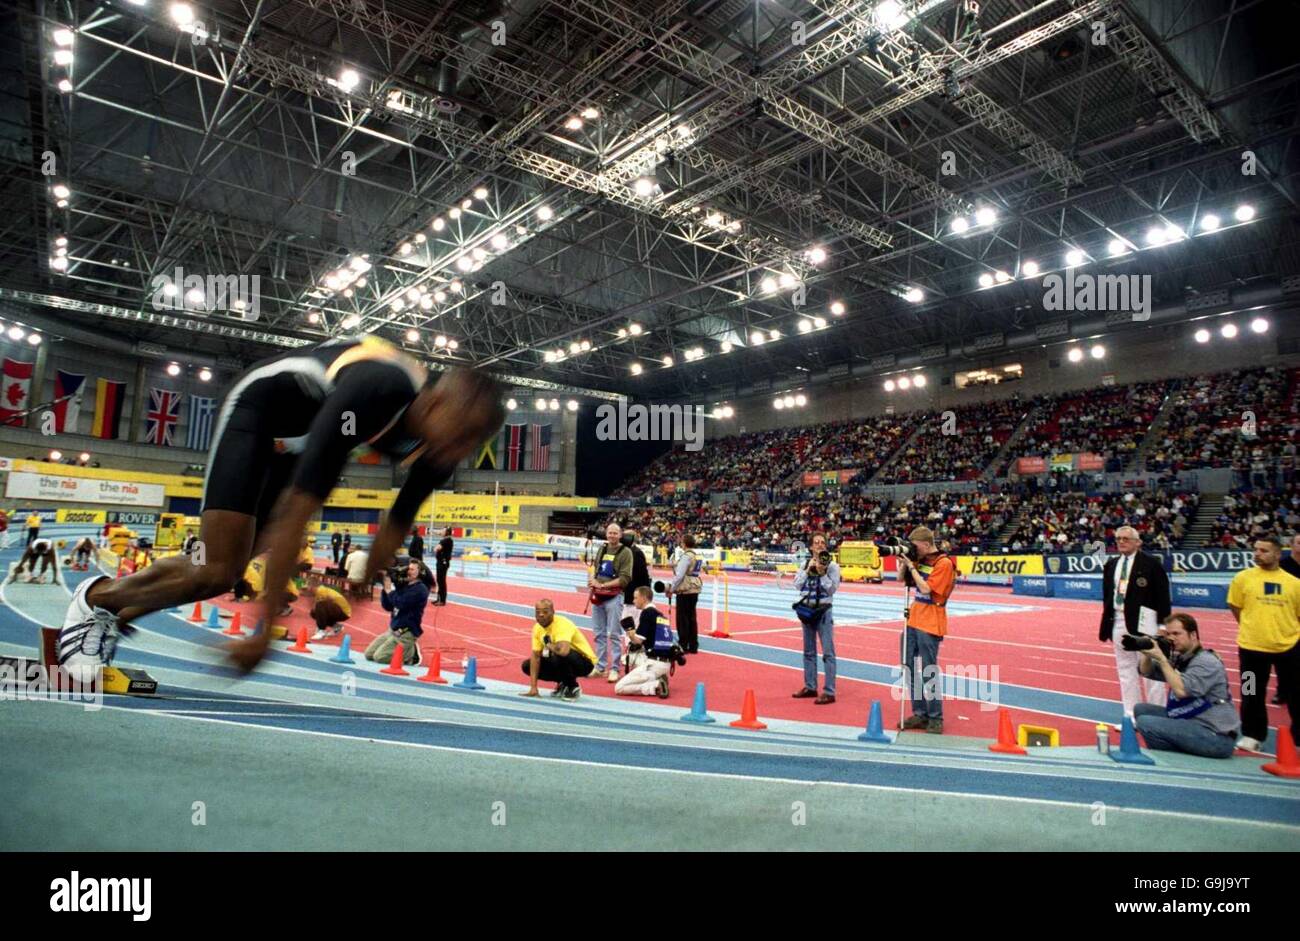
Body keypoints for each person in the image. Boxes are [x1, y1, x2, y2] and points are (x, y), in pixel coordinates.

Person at [58, 337, 505, 681]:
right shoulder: (375, 389)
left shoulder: (438, 451)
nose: (460, 453)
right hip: (257, 413)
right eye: (463, 436)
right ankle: (95, 601)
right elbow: (297, 513)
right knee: (218, 568)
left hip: (295, 442)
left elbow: (397, 522)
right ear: (437, 403)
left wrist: (366, 580)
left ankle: (122, 605)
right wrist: (263, 631)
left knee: (225, 565)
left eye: (473, 445)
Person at [1226, 535, 1300, 750]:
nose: (1257, 554)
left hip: (1288, 648)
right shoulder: (1242, 578)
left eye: (1264, 550)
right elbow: (1235, 607)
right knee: (1250, 692)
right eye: (1256, 549)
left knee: (1296, 694)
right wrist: (1251, 627)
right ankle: (1252, 734)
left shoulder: (1294, 583)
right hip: (1251, 649)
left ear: (1278, 554)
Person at [1132, 613, 1240, 758]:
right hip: (1194, 723)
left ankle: (1174, 759)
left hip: (1215, 735)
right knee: (1141, 709)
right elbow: (1146, 672)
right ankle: (1175, 753)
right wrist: (1147, 651)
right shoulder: (1183, 658)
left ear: (1193, 635)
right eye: (1168, 634)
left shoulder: (1206, 661)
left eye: (1177, 633)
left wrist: (1162, 660)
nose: (1171, 638)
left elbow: (1181, 691)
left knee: (1145, 722)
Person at [1099, 525, 1172, 722]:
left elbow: (1163, 596)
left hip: (1145, 622)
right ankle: (1130, 714)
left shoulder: (1151, 565)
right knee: (1125, 669)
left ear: (1138, 542)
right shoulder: (1111, 565)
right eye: (1118, 539)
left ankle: (1156, 714)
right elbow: (1108, 596)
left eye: (1126, 539)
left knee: (1151, 672)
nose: (1121, 542)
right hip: (1119, 620)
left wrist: (1164, 626)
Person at [898, 527, 957, 733]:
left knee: (928, 670)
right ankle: (920, 713)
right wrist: (904, 563)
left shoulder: (944, 563)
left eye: (914, 546)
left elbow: (926, 589)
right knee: (908, 668)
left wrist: (912, 568)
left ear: (925, 543)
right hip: (913, 619)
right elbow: (900, 580)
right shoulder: (919, 559)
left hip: (931, 621)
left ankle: (935, 717)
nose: (914, 550)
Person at [791, 532, 840, 705]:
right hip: (807, 610)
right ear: (811, 547)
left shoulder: (832, 566)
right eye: (816, 542)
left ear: (825, 546)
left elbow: (832, 590)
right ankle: (810, 686)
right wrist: (807, 570)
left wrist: (822, 573)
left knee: (828, 652)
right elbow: (797, 585)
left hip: (824, 611)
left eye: (822, 542)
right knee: (808, 652)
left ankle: (829, 691)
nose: (819, 545)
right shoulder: (805, 563)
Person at [519, 598, 596, 701]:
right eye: (538, 612)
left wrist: (549, 645)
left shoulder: (562, 624)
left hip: (584, 663)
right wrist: (533, 688)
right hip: (562, 659)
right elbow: (536, 656)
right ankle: (563, 682)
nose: (541, 615)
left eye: (545, 612)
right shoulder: (537, 628)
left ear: (553, 612)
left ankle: (572, 687)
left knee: (558, 654)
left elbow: (563, 651)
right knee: (527, 665)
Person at [587, 522, 633, 682]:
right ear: (606, 534)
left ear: (620, 535)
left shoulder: (626, 552)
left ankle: (614, 668)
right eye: (609, 533)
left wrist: (604, 585)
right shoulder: (602, 549)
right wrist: (592, 581)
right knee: (598, 633)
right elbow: (597, 569)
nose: (612, 535)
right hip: (598, 596)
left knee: (614, 634)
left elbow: (625, 578)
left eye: (615, 533)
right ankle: (600, 666)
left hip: (614, 597)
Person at [365, 560, 430, 666]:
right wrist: (385, 590)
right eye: (408, 568)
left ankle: (411, 655)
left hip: (406, 632)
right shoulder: (404, 586)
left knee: (380, 657)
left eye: (412, 569)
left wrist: (389, 591)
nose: (408, 571)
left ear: (421, 572)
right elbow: (388, 606)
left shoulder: (420, 589)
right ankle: (407, 649)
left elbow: (401, 603)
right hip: (393, 630)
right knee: (369, 654)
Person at [615, 585, 675, 698]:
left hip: (654, 664)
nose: (633, 601)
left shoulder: (647, 614)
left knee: (619, 687)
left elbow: (638, 641)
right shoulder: (660, 615)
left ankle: (655, 685)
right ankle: (658, 677)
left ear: (643, 598)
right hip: (665, 662)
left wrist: (630, 633)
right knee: (632, 657)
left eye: (635, 598)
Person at [665, 533, 703, 653]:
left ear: (684, 544)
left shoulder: (686, 556)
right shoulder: (697, 555)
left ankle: (683, 643)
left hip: (685, 588)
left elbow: (679, 575)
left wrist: (671, 588)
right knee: (691, 617)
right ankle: (693, 644)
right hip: (695, 587)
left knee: (683, 618)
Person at [433, 528, 453, 605]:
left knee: (441, 581)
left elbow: (436, 548)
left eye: (443, 531)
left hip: (442, 563)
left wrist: (437, 548)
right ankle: (439, 599)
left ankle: (442, 600)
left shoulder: (446, 540)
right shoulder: (447, 539)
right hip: (441, 562)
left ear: (447, 532)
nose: (441, 531)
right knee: (439, 581)